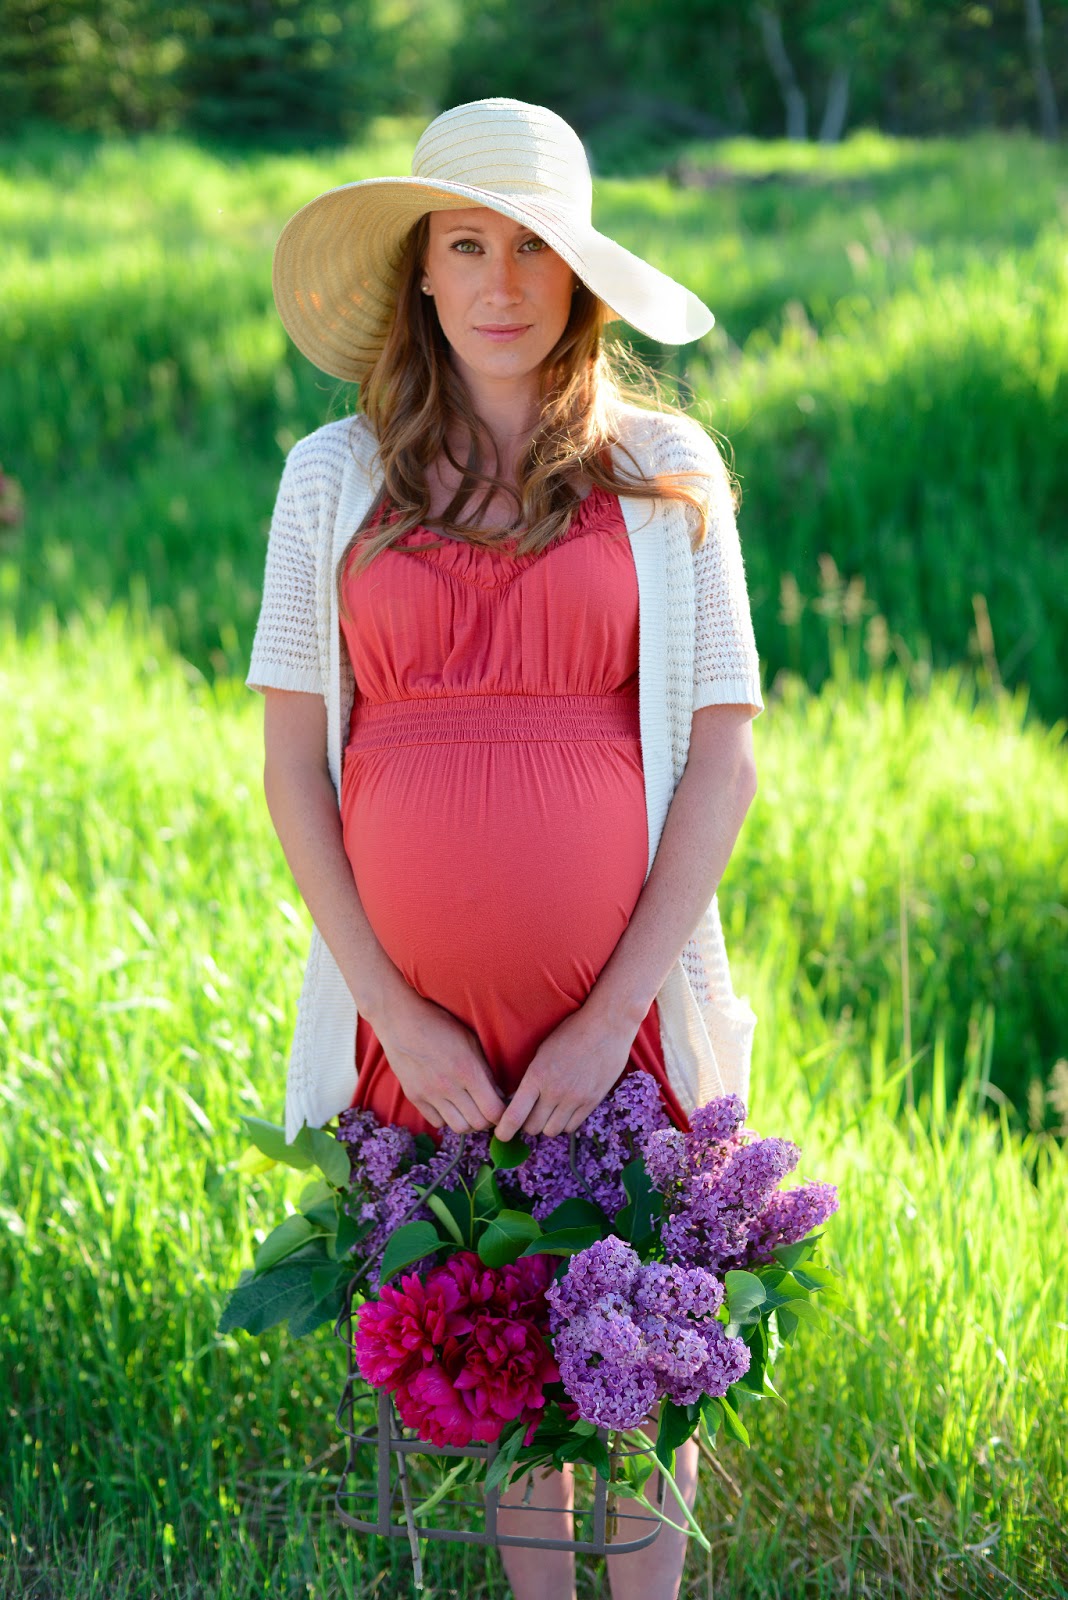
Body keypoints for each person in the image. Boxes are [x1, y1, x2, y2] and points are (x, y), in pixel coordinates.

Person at [248, 97, 763, 1600]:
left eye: (535, 248)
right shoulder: (326, 482)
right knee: (497, 1354)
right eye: (466, 244)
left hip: (627, 1014)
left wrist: (612, 1021)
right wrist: (398, 1012)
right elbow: (293, 773)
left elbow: (724, 761)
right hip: (421, 1031)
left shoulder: (665, 473)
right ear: (418, 269)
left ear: (584, 277)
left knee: (641, 1346)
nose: (499, 281)